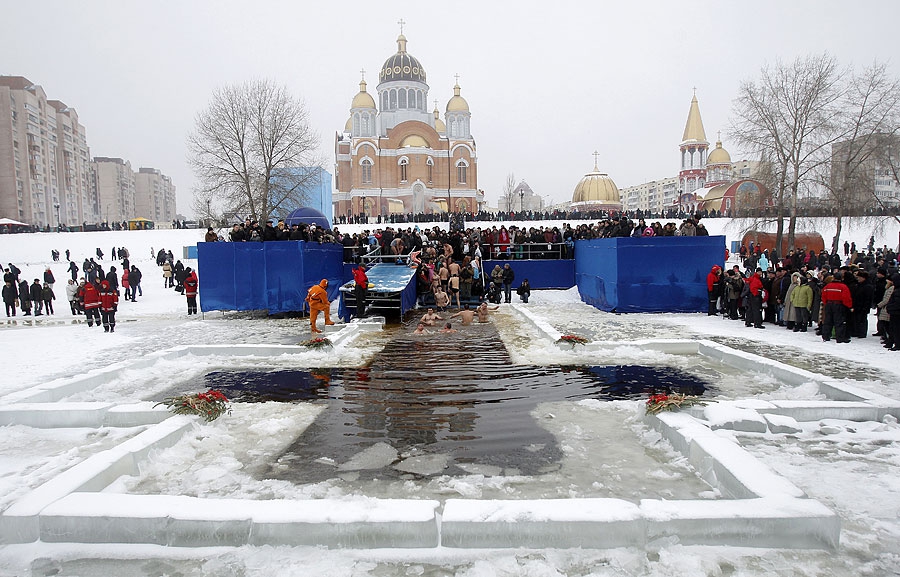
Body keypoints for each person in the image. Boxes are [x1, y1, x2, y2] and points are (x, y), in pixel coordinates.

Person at [820, 271, 854, 343]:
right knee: (839, 322)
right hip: (838, 305)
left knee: (828, 321)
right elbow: (846, 298)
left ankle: (826, 336)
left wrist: (827, 303)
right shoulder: (843, 287)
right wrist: (850, 306)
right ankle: (840, 338)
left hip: (829, 305)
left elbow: (823, 296)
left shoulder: (827, 286)